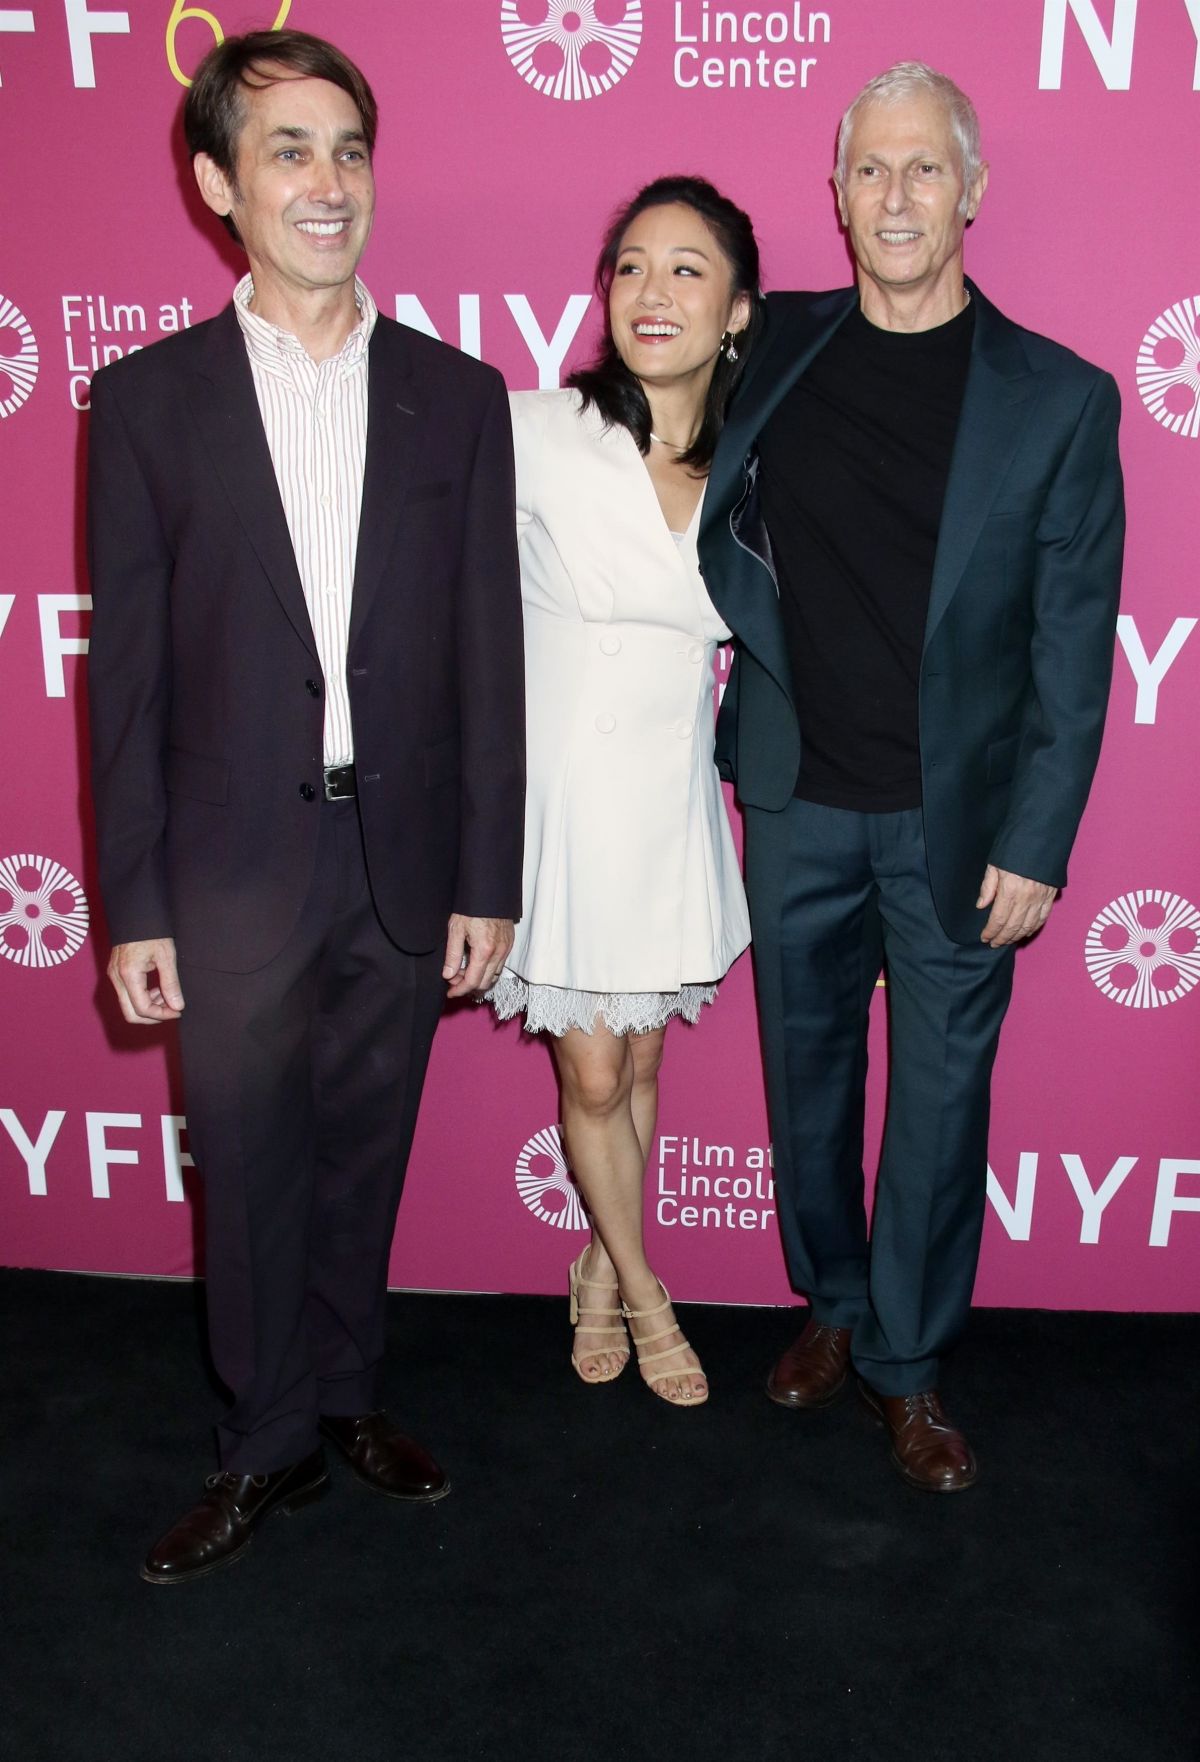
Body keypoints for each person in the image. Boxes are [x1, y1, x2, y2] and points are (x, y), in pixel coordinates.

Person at [86, 30, 524, 1582]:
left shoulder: (458, 399)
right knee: (252, 1162)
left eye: (347, 148)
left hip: (402, 859)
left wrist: (490, 870)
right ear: (218, 184)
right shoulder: (143, 404)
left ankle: (345, 1395)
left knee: (364, 1150)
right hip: (228, 867)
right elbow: (123, 677)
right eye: (286, 150)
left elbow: (491, 652)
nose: (326, 182)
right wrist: (132, 900)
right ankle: (262, 1437)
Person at [699, 63, 1124, 1488]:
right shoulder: (772, 349)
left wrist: (1040, 835)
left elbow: (1073, 646)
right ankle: (831, 1300)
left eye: (923, 171)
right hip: (798, 796)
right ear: (835, 191)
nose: (893, 197)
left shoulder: (1060, 401)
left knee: (940, 1107)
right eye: (869, 170)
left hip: (959, 827)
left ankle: (908, 1358)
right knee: (804, 1082)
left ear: (972, 193)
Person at [488, 177, 760, 1406]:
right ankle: (651, 1298)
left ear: (737, 309)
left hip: (669, 797)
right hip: (567, 802)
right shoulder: (538, 428)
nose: (654, 292)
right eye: (633, 266)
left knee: (640, 1068)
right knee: (593, 1075)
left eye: (688, 269)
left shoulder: (756, 467)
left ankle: (598, 1263)